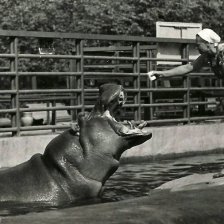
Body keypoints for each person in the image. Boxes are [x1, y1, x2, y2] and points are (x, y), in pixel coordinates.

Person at [147, 28, 224, 81]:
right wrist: (162, 74)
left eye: (198, 45)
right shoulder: (208, 56)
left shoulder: (221, 52)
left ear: (207, 43)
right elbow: (187, 68)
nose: (196, 48)